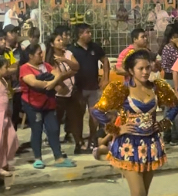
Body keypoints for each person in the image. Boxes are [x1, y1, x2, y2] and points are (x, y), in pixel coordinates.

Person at [92, 49, 178, 196]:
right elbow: (97, 111)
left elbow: (175, 105)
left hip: (151, 146)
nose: (144, 72)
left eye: (147, 67)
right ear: (130, 70)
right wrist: (116, 129)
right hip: (128, 148)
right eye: (140, 68)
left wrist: (163, 124)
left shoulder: (157, 87)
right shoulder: (121, 89)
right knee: (138, 194)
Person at [20, 44, 76, 169]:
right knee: (37, 130)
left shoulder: (46, 65)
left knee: (54, 128)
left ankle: (58, 157)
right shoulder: (25, 68)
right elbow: (33, 82)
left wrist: (51, 83)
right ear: (30, 56)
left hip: (49, 103)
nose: (41, 55)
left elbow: (58, 74)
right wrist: (49, 83)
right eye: (38, 53)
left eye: (41, 53)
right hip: (33, 104)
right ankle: (38, 158)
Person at [70, 23, 110, 151]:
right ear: (80, 34)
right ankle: (79, 142)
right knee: (78, 117)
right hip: (78, 89)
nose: (90, 34)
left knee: (94, 116)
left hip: (93, 88)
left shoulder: (95, 47)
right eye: (87, 32)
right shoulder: (72, 50)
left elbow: (105, 61)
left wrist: (105, 78)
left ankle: (93, 141)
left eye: (90, 32)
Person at [45, 34, 82, 152]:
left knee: (75, 119)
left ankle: (79, 144)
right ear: (52, 44)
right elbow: (55, 75)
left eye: (62, 40)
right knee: (56, 121)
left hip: (72, 92)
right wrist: (70, 73)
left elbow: (76, 66)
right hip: (58, 94)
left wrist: (65, 60)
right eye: (58, 40)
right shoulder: (49, 58)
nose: (61, 42)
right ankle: (56, 148)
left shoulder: (68, 54)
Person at [3, 25, 23, 129]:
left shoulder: (20, 49)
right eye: (11, 32)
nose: (14, 34)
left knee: (14, 118)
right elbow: (7, 69)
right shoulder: (2, 51)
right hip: (7, 89)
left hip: (18, 88)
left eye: (15, 31)